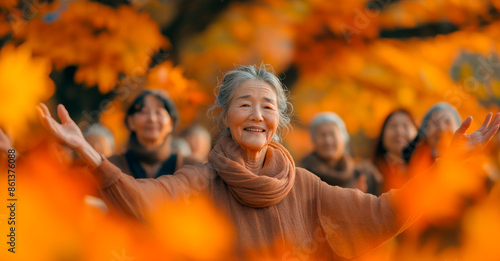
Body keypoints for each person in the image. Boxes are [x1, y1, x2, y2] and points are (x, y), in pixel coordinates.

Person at [37, 65, 500, 260]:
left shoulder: (308, 186)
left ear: (279, 119)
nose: (257, 115)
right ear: (224, 116)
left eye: (268, 106)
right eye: (244, 105)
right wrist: (90, 154)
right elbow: (141, 202)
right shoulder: (200, 178)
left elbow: (384, 213)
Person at [108, 90, 200, 178]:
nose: (152, 118)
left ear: (171, 123)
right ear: (131, 121)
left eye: (159, 112)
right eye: (144, 111)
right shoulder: (112, 166)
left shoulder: (192, 167)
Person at [301, 112, 382, 195]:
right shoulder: (302, 176)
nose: (328, 141)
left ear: (344, 139)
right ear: (313, 140)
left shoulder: (365, 174)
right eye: (322, 135)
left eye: (332, 134)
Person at [373, 109, 418, 191]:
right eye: (393, 126)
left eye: (405, 126)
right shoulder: (369, 174)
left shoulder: (426, 172)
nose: (399, 131)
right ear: (382, 135)